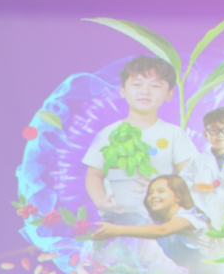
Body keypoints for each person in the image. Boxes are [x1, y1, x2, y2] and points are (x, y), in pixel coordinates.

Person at [83, 56, 196, 223]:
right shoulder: (108, 134)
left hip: (161, 219)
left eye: (155, 86)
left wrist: (162, 187)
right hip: (117, 217)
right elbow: (94, 175)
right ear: (123, 90)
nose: (145, 91)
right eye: (137, 84)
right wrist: (100, 201)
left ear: (169, 94)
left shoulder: (174, 134)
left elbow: (190, 173)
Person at [88, 174, 224, 274]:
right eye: (150, 193)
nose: (153, 196)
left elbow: (161, 231)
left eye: (161, 191)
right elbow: (152, 228)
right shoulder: (160, 222)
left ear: (178, 196)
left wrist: (117, 230)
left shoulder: (190, 217)